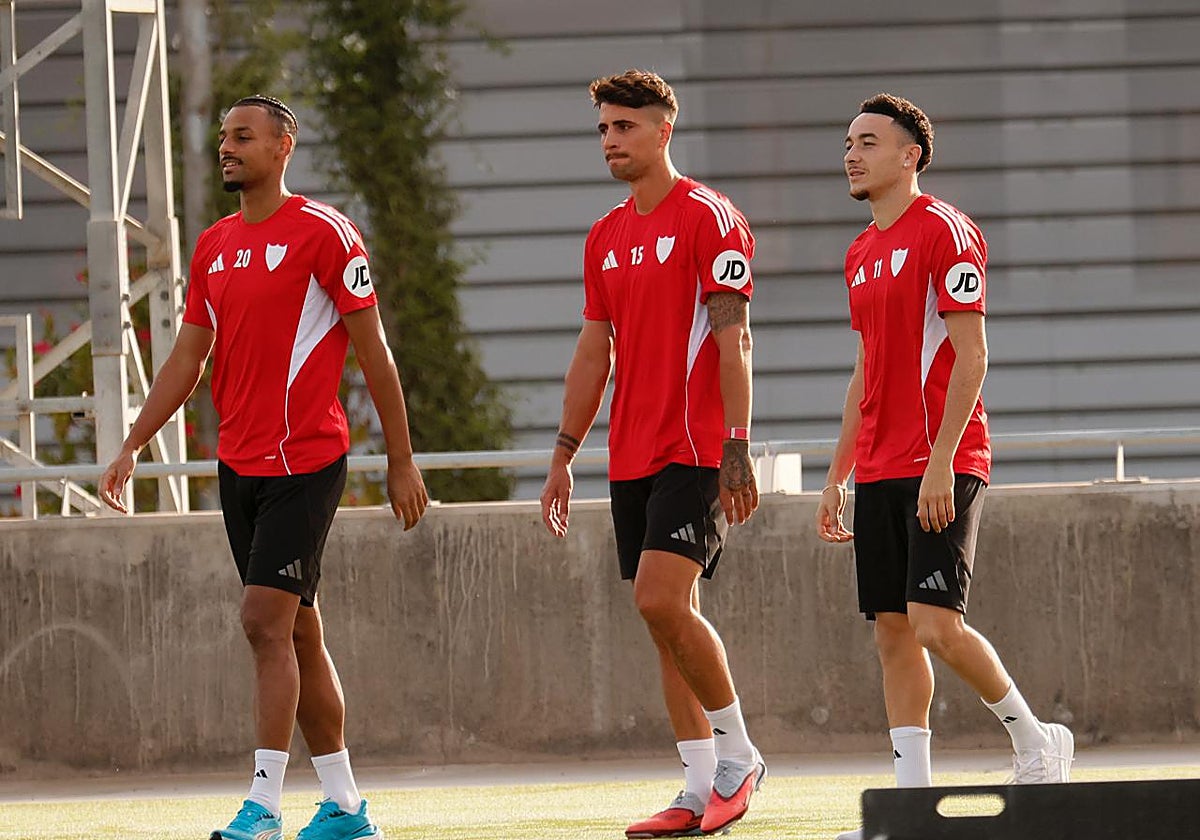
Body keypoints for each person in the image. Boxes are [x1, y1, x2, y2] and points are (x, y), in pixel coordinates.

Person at [99, 95, 428, 840]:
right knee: (299, 634)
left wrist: (400, 460)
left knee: (261, 625)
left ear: (284, 146)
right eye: (224, 137)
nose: (228, 147)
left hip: (307, 463)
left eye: (243, 137)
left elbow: (374, 353)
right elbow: (188, 355)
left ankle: (265, 807)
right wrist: (133, 443)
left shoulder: (326, 234)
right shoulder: (214, 245)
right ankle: (345, 809)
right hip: (238, 467)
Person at [816, 93, 1074, 840]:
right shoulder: (859, 252)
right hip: (880, 468)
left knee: (934, 624)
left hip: (945, 461)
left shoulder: (948, 232)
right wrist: (837, 475)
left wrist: (939, 465)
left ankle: (1036, 742)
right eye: (847, 142)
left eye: (868, 141)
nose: (852, 153)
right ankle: (910, 809)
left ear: (910, 156)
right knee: (892, 634)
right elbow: (863, 373)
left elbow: (973, 355)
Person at [539, 69, 766, 838]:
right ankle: (699, 787)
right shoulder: (603, 236)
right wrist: (565, 452)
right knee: (666, 622)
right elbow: (592, 352)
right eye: (603, 127)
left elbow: (735, 339)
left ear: (663, 130)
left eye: (624, 127)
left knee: (661, 601)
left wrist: (738, 445)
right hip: (630, 454)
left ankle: (739, 757)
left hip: (698, 448)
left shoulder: (711, 218)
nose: (610, 140)